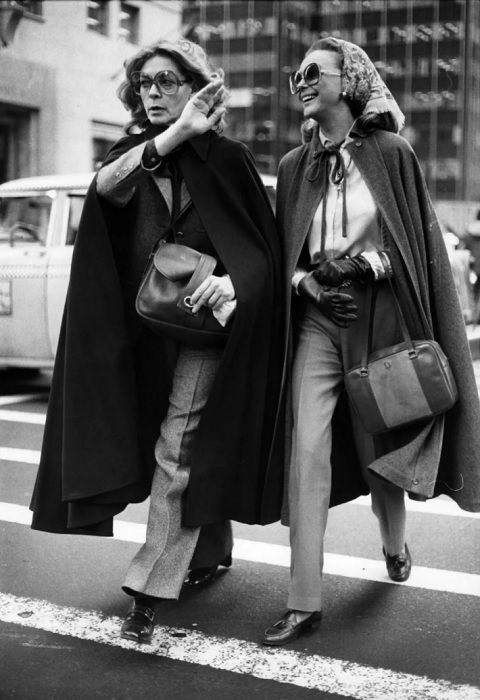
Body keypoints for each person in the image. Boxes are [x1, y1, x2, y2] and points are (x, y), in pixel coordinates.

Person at [30, 39, 285, 644]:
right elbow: (105, 190)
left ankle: (149, 586)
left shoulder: (229, 158)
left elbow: (260, 249)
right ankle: (210, 545)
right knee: (154, 442)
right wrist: (169, 138)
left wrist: (230, 281)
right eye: (145, 83)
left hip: (201, 330)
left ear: (197, 85)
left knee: (178, 449)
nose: (153, 92)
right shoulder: (134, 155)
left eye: (168, 81)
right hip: (138, 329)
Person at [262, 36, 480, 647]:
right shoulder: (291, 165)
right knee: (305, 452)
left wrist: (364, 268)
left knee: (377, 441)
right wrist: (308, 285)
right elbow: (285, 255)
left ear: (348, 80)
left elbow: (415, 248)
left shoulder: (391, 153)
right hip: (317, 324)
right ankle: (303, 600)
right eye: (294, 74)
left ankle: (394, 542)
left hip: (382, 318)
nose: (300, 81)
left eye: (313, 72)